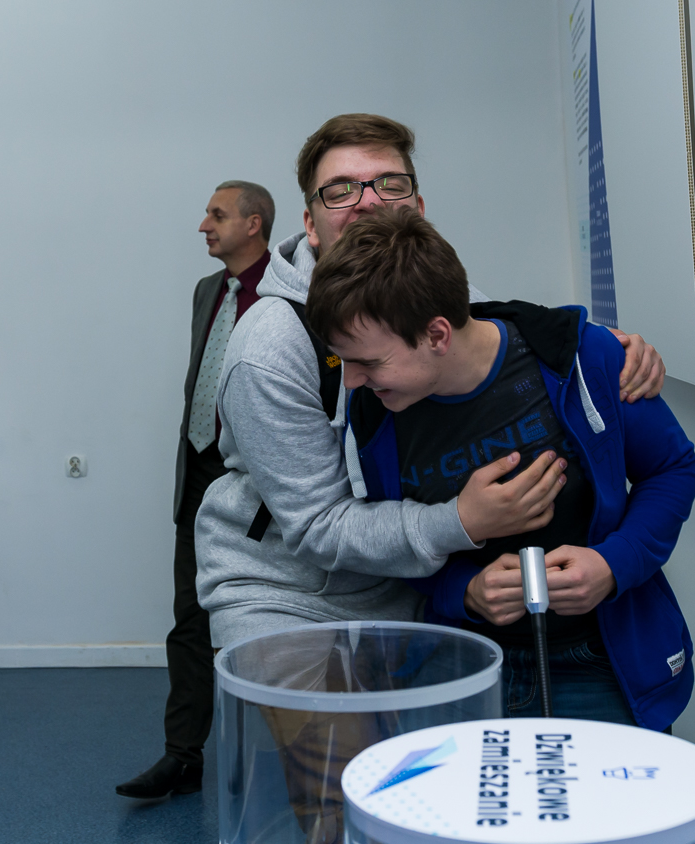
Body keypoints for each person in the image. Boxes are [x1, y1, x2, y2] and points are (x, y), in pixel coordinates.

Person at [195, 113, 665, 651]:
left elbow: (521, 338)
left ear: (417, 209)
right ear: (311, 223)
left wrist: (607, 349)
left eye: (389, 183)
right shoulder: (270, 345)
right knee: (311, 713)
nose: (368, 201)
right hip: (287, 597)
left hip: (417, 590)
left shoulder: (451, 301)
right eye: (340, 190)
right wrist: (459, 520)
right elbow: (318, 527)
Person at [305, 205, 695, 730]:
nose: (351, 381)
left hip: (599, 660)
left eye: (369, 362)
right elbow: (399, 541)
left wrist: (613, 565)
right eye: (343, 361)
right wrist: (464, 590)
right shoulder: (375, 413)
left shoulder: (581, 358)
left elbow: (672, 469)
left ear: (437, 335)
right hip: (461, 661)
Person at [115, 181, 276, 799]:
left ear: (254, 224)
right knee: (190, 618)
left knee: (264, 617)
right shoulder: (209, 290)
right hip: (199, 472)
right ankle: (182, 756)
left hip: (259, 482)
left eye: (217, 214)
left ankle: (279, 754)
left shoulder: (291, 293)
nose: (203, 225)